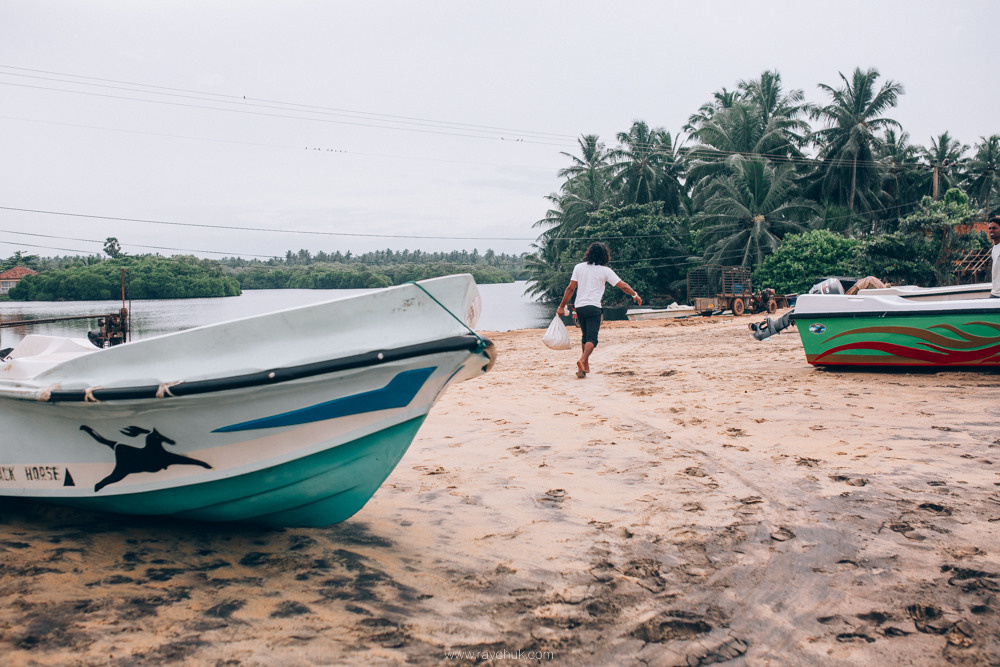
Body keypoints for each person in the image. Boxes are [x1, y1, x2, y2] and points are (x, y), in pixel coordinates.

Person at [556, 242, 641, 378]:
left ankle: (584, 368)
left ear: (589, 253)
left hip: (580, 308)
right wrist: (635, 295)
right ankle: (582, 360)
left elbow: (570, 288)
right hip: (594, 307)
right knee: (592, 339)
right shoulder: (605, 270)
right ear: (604, 256)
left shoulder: (579, 267)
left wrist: (561, 306)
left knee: (585, 336)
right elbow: (623, 286)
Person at [989, 216, 1000, 298]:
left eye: (994, 228)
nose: (991, 230)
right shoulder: (995, 248)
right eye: (989, 228)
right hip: (995, 292)